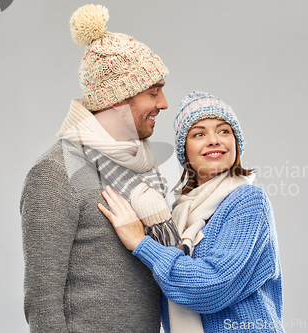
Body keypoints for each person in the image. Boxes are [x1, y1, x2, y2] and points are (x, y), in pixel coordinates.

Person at [20, 4, 179, 332]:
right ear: (118, 98)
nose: (163, 103)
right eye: (153, 92)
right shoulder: (55, 173)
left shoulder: (142, 169)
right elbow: (41, 301)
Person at [98, 91, 285, 333]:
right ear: (184, 151)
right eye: (199, 133)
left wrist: (142, 244)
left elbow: (212, 286)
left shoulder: (248, 201)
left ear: (236, 143)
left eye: (223, 131)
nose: (214, 140)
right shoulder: (178, 217)